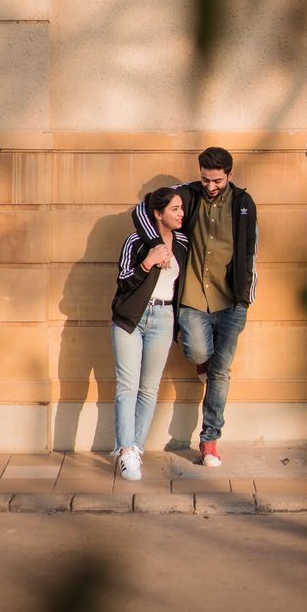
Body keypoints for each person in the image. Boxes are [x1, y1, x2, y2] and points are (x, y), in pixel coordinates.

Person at [133, 146, 258, 468]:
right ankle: (201, 363)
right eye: (205, 179)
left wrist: (245, 297)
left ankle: (210, 440)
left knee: (221, 372)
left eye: (217, 180)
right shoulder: (187, 194)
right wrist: (156, 245)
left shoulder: (243, 203)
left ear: (229, 174)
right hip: (191, 298)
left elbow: (250, 252)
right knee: (199, 353)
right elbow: (142, 209)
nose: (210, 186)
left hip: (230, 301)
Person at [109, 186, 189, 482]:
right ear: (158, 214)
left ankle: (137, 447)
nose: (181, 214)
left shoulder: (182, 241)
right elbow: (124, 280)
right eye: (174, 209)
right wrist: (148, 262)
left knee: (150, 388)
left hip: (164, 317)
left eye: (181, 209)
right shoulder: (136, 241)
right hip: (131, 318)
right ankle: (125, 451)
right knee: (127, 386)